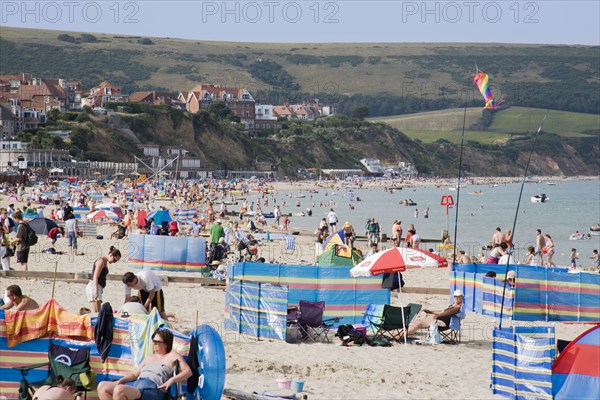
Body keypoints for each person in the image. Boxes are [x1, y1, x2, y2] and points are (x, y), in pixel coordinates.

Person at [97, 329, 192, 400]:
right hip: (138, 385)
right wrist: (121, 381)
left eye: (157, 342)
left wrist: (172, 380)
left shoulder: (172, 355)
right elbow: (134, 375)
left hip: (154, 389)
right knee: (102, 387)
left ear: (166, 344)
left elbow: (188, 372)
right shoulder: (150, 357)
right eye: (153, 342)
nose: (154, 344)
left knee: (119, 390)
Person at [87, 247, 122, 312]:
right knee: (97, 311)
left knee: (98, 311)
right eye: (114, 260)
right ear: (111, 255)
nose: (114, 262)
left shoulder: (104, 262)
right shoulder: (101, 261)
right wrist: (96, 290)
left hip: (98, 286)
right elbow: (95, 276)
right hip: (94, 286)